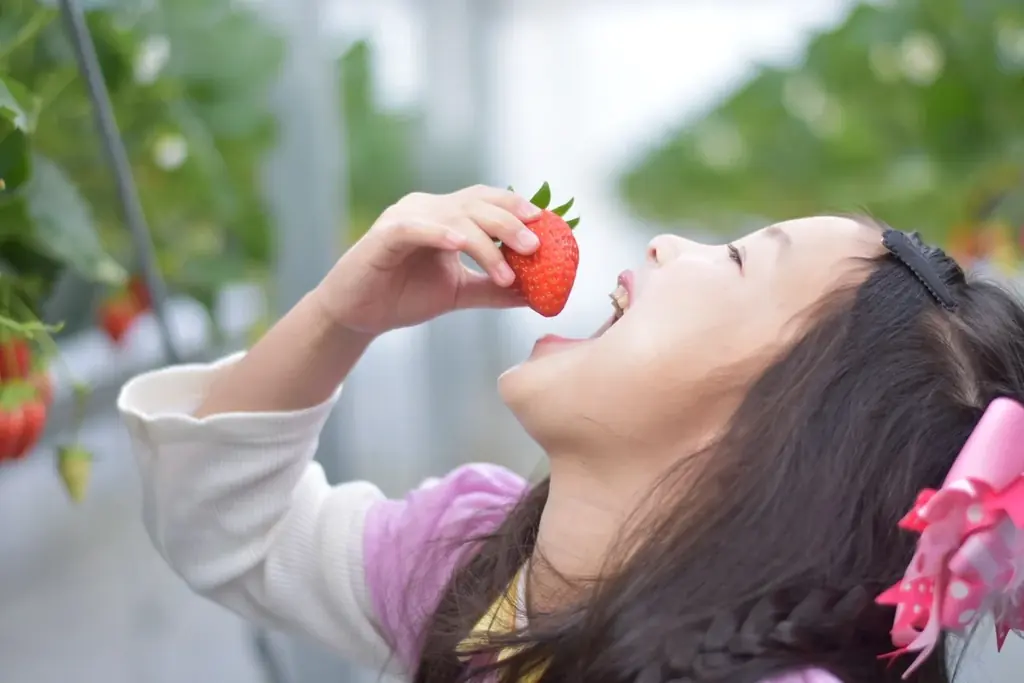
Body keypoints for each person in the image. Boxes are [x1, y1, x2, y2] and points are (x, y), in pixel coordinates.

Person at [118, 185, 1024, 683]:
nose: (670, 242)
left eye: (742, 258)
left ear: (792, 433)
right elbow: (232, 528)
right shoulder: (468, 567)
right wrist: (337, 318)